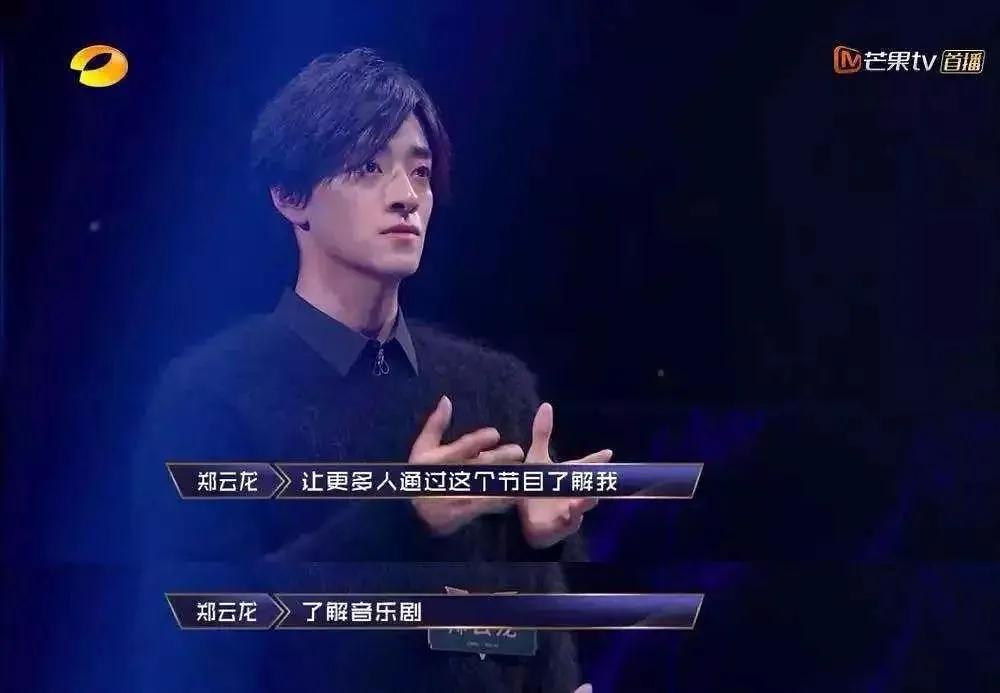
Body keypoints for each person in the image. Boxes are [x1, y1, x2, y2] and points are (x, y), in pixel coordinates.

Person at [132, 48, 609, 692]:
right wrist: (404, 516)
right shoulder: (208, 395)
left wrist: (541, 541)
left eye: (421, 172)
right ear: (291, 197)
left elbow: (522, 620)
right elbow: (203, 633)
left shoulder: (495, 386)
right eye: (367, 168)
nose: (407, 197)